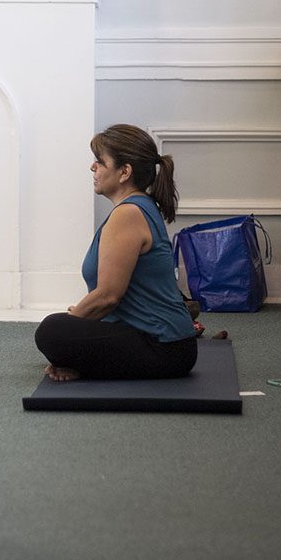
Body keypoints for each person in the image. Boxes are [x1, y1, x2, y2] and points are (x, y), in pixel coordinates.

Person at [35, 124, 197, 382]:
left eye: (100, 161)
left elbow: (108, 296)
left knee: (51, 331)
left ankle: (79, 362)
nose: (93, 167)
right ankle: (79, 359)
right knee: (66, 326)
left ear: (124, 172)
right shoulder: (138, 206)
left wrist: (72, 323)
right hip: (167, 343)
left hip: (164, 349)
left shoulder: (128, 214)